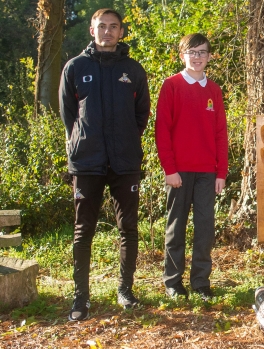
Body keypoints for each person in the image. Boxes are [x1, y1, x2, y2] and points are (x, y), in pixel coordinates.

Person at [59, 8, 150, 321]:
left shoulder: (133, 70)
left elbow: (141, 115)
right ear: (91, 30)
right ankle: (80, 298)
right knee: (83, 231)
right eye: (102, 27)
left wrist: (124, 139)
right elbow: (69, 114)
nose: (108, 32)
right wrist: (83, 141)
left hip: (125, 163)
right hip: (87, 162)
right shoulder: (75, 67)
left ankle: (125, 290)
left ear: (121, 32)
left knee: (128, 228)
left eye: (114, 27)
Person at [155, 33, 229, 301]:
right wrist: (169, 169)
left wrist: (221, 172)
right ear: (182, 55)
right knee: (176, 227)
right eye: (192, 52)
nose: (197, 57)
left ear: (210, 57)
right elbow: (162, 130)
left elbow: (221, 133)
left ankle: (200, 283)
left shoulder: (214, 90)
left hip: (207, 172)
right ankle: (173, 282)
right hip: (179, 172)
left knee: (205, 227)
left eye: (202, 52)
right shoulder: (171, 86)